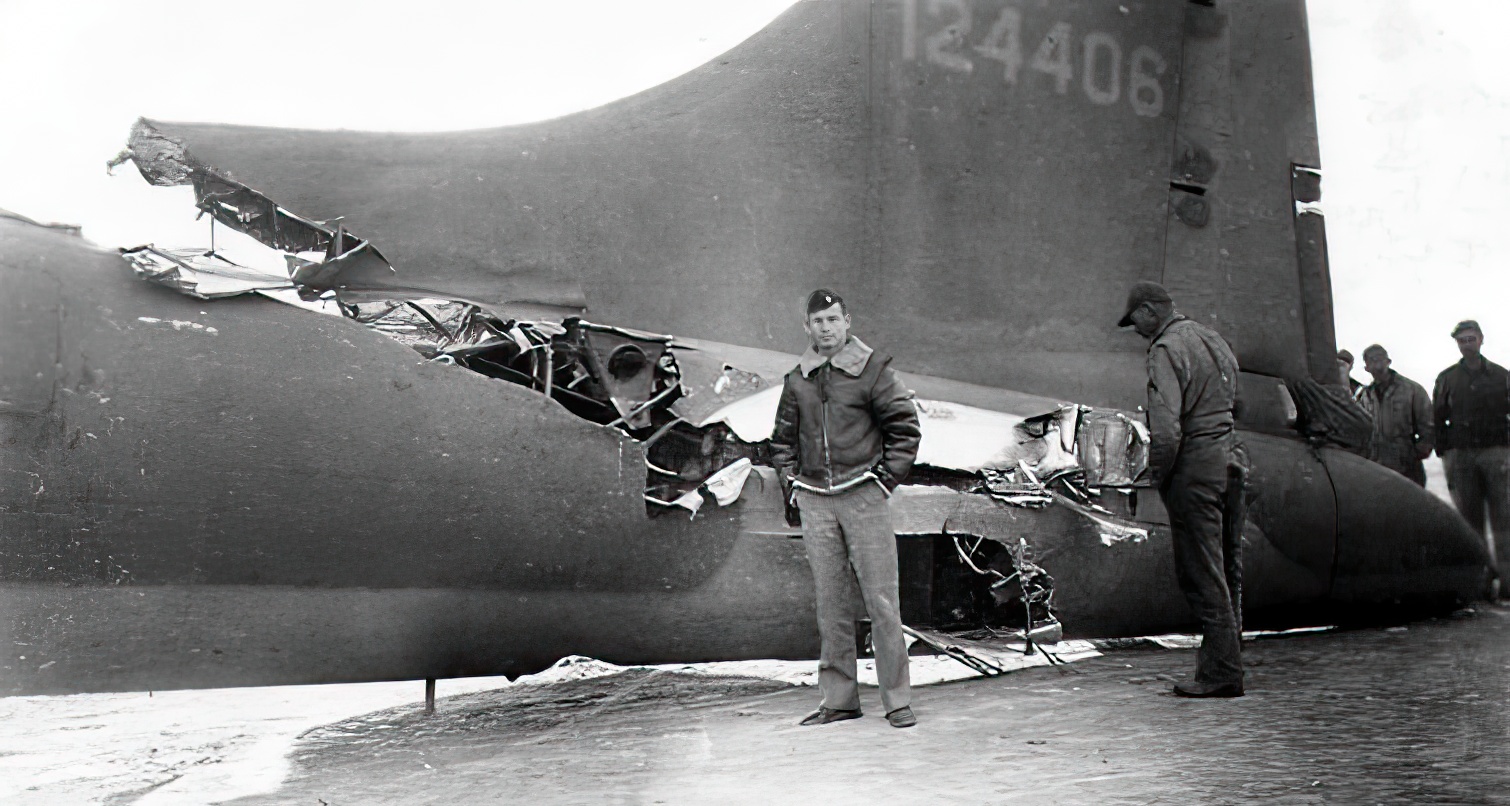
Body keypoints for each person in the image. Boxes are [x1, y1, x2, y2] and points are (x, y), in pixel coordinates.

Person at [770, 289, 923, 728]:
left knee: (882, 603)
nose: (826, 328)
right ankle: (839, 700)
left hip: (863, 495)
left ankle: (897, 700)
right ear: (807, 327)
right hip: (816, 501)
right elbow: (781, 441)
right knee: (830, 605)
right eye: (818, 321)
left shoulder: (874, 370)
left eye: (833, 319)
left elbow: (904, 429)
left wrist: (884, 481)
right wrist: (792, 485)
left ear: (847, 322)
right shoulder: (797, 379)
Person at [1119, 281, 1247, 698]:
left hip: (1195, 470)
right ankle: (1226, 665)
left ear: (1149, 311)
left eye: (1135, 319)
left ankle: (1221, 673)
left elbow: (1168, 430)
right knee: (1228, 572)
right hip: (1230, 462)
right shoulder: (1213, 338)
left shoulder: (1165, 349)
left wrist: (1159, 474)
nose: (1136, 330)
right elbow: (1235, 402)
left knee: (1202, 574)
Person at [1433, 320, 1510, 582]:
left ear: (1481, 339)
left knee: (1505, 521)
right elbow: (1437, 418)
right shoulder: (1447, 378)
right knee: (1469, 521)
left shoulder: (1502, 376)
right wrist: (1446, 452)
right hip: (1462, 456)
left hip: (1497, 454)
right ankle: (1482, 583)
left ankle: (1508, 585)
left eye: (1471, 339)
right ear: (1457, 343)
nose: (1467, 344)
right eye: (1462, 340)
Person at [1359, 345, 1433, 486]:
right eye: (1372, 361)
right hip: (1376, 466)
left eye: (1380, 359)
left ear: (1389, 361)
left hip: (1408, 465)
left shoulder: (1412, 390)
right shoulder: (1365, 396)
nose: (1377, 365)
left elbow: (1428, 424)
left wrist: (1416, 453)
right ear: (1366, 368)